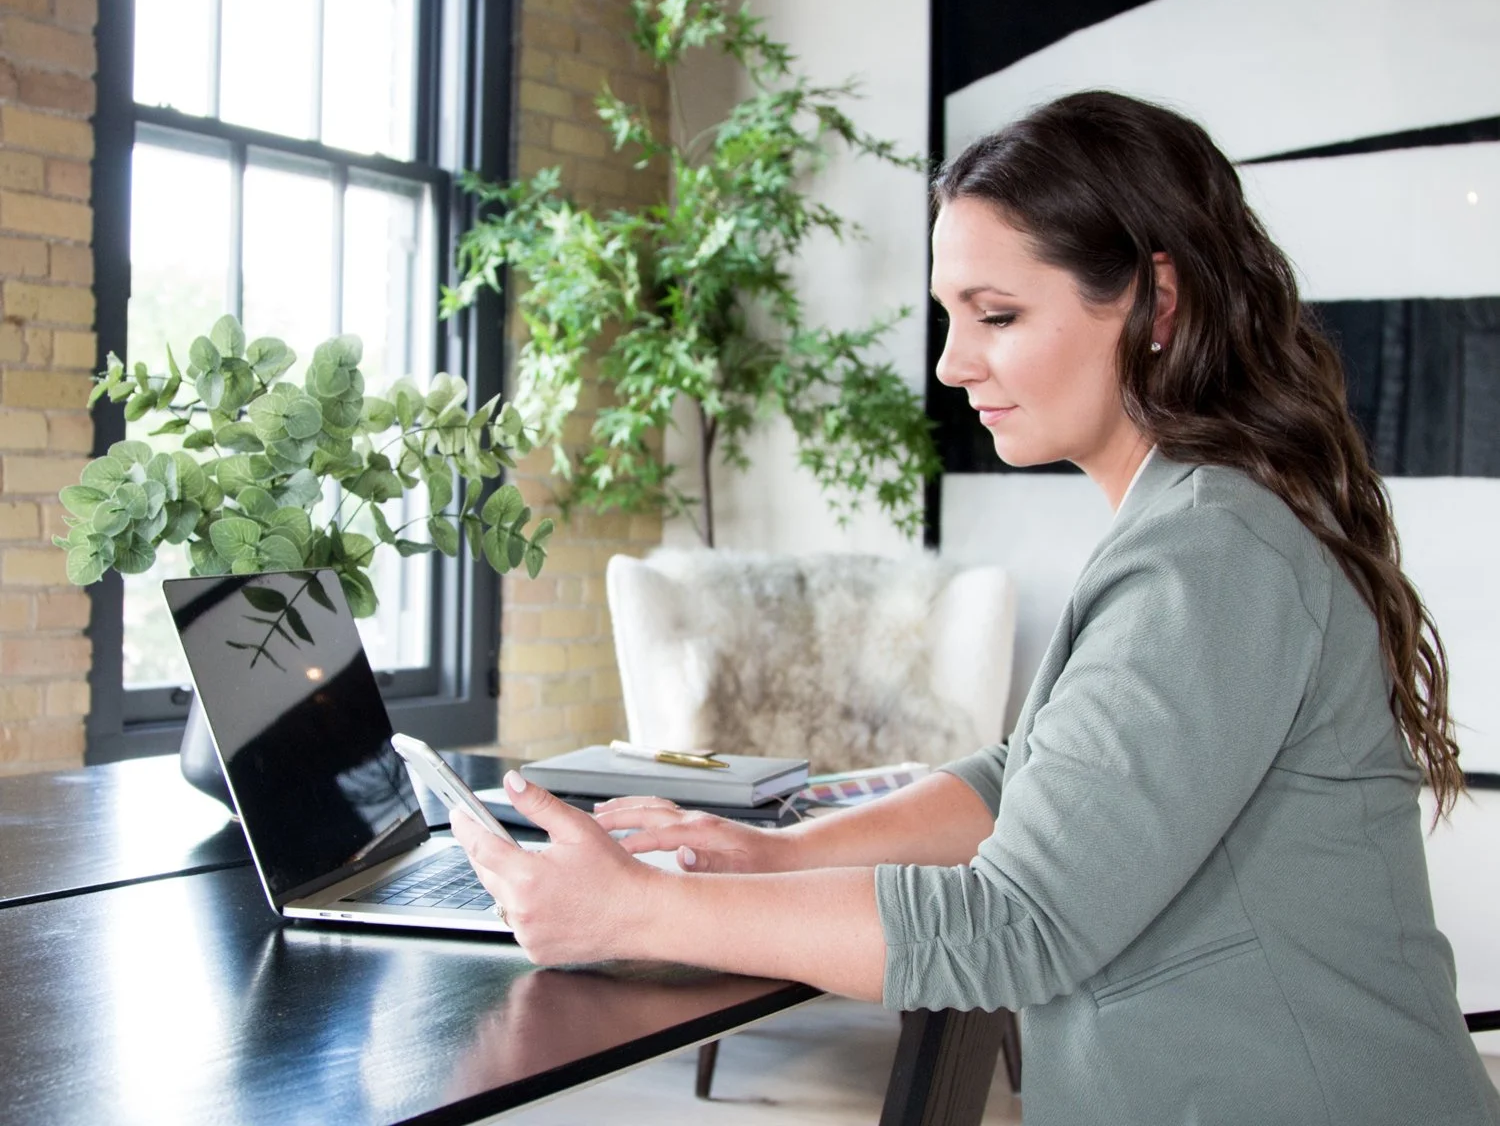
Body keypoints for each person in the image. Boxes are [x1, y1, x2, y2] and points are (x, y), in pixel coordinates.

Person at [450, 90, 1500, 1125]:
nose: (953, 364)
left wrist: (643, 907)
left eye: (997, 315)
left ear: (1157, 302)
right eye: (954, 316)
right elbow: (1035, 776)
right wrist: (788, 853)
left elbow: (1016, 921)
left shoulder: (1207, 556)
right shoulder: (1191, 519)